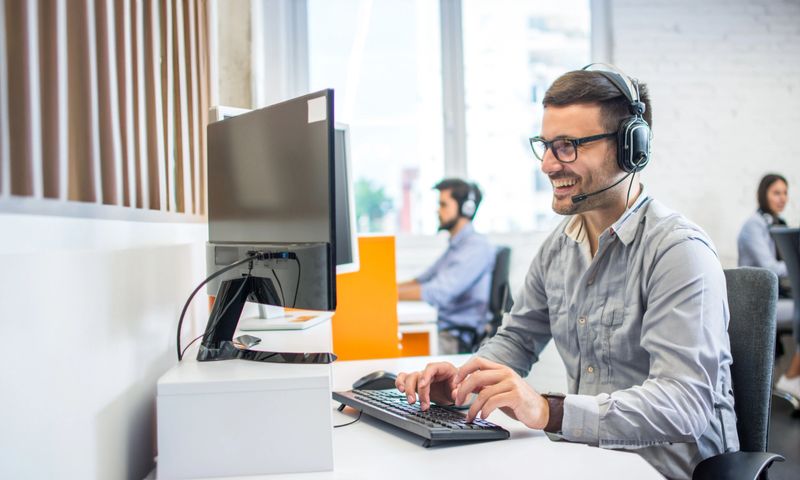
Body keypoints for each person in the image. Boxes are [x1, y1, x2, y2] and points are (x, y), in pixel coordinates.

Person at [395, 66, 738, 479]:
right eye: (545, 146)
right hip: (587, 461)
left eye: (567, 146)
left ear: (630, 148)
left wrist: (548, 410)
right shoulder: (559, 247)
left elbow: (684, 405)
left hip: (665, 471)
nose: (547, 165)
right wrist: (463, 382)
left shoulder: (678, 251)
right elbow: (517, 340)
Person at [397, 179, 496, 354]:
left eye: (443, 205)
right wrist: (384, 291)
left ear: (466, 209)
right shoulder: (456, 246)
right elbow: (422, 280)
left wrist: (387, 296)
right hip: (441, 330)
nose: (437, 210)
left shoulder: (476, 248)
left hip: (454, 339)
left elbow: (438, 292)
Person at [737, 174, 800, 399]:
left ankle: (793, 378)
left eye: (785, 193)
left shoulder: (777, 223)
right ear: (763, 195)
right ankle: (791, 378)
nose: (782, 198)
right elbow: (769, 267)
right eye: (776, 193)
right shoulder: (754, 225)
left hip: (776, 298)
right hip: (756, 304)